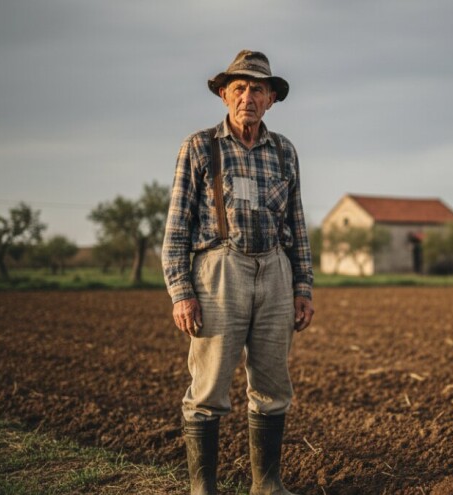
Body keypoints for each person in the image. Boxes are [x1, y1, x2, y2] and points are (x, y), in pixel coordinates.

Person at [162, 49, 314, 495]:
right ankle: (202, 489)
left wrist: (302, 286)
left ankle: (266, 485)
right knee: (208, 388)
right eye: (240, 88)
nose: (248, 96)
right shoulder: (200, 147)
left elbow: (298, 225)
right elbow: (176, 226)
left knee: (272, 384)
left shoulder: (284, 152)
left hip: (275, 272)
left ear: (271, 100)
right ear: (225, 95)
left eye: (258, 89)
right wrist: (181, 292)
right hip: (218, 270)